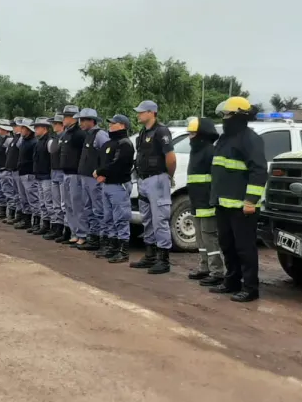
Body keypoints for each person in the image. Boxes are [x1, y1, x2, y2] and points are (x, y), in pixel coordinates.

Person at [206, 96, 268, 302]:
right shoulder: (225, 138)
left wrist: (251, 200)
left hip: (243, 206)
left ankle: (250, 288)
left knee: (245, 248)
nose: (224, 118)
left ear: (238, 116)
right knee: (227, 245)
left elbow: (258, 171)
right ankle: (231, 281)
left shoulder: (250, 139)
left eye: (227, 115)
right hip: (223, 203)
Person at [129, 100, 176, 274]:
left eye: (141, 112)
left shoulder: (161, 131)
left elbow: (170, 158)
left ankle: (163, 260)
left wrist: (167, 176)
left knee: (160, 220)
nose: (138, 114)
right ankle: (149, 255)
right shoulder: (143, 133)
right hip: (143, 180)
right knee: (147, 219)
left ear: (151, 112)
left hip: (157, 179)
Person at [185, 117, 225, 285]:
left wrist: (212, 199)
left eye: (193, 133)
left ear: (202, 135)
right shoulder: (196, 151)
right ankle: (204, 268)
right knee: (200, 238)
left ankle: (217, 272)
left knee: (210, 238)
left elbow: (217, 178)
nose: (190, 137)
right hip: (196, 201)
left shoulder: (210, 151)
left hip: (207, 203)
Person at [94, 114, 134, 263]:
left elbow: (118, 164)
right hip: (107, 185)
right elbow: (101, 161)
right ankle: (112, 247)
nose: (110, 125)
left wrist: (101, 172)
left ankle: (123, 251)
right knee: (108, 218)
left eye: (114, 123)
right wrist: (100, 172)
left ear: (122, 125)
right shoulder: (109, 143)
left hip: (119, 185)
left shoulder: (125, 143)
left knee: (121, 218)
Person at [75, 109, 110, 251]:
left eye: (84, 120)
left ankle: (103, 239)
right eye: (80, 120)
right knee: (88, 208)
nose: (81, 123)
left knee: (98, 209)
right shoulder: (88, 135)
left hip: (94, 179)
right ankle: (93, 237)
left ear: (92, 121)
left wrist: (103, 173)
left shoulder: (100, 135)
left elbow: (108, 154)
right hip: (85, 177)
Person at [57, 104, 85, 245]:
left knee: (77, 205)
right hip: (65, 173)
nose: (64, 119)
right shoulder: (66, 133)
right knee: (67, 205)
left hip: (75, 174)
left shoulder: (79, 134)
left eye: (66, 116)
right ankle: (74, 233)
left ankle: (82, 234)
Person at [44, 113, 67, 241]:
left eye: (56, 123)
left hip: (62, 172)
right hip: (54, 171)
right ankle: (58, 227)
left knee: (64, 204)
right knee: (56, 203)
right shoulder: (55, 138)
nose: (54, 126)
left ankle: (66, 229)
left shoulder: (65, 137)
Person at [30, 117, 53, 235]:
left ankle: (52, 226)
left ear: (44, 128)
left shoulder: (49, 141)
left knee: (48, 202)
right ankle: (45, 224)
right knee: (42, 202)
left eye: (37, 127)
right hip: (39, 175)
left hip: (47, 176)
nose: (35, 130)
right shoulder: (39, 141)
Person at [14, 119, 38, 230]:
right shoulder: (23, 141)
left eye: (23, 128)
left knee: (32, 199)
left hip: (29, 173)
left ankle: (37, 222)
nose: (21, 130)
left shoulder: (34, 142)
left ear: (29, 130)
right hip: (22, 172)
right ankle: (26, 219)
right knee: (23, 198)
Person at [2, 120, 22, 224]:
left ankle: (19, 215)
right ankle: (14, 214)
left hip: (17, 170)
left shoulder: (20, 139)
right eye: (13, 126)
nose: (14, 128)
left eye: (16, 126)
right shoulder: (14, 139)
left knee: (18, 194)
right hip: (11, 170)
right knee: (14, 193)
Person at [0, 119, 13, 217]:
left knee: (8, 192)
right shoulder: (0, 139)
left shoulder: (9, 140)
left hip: (4, 170)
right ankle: (2, 211)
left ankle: (10, 213)